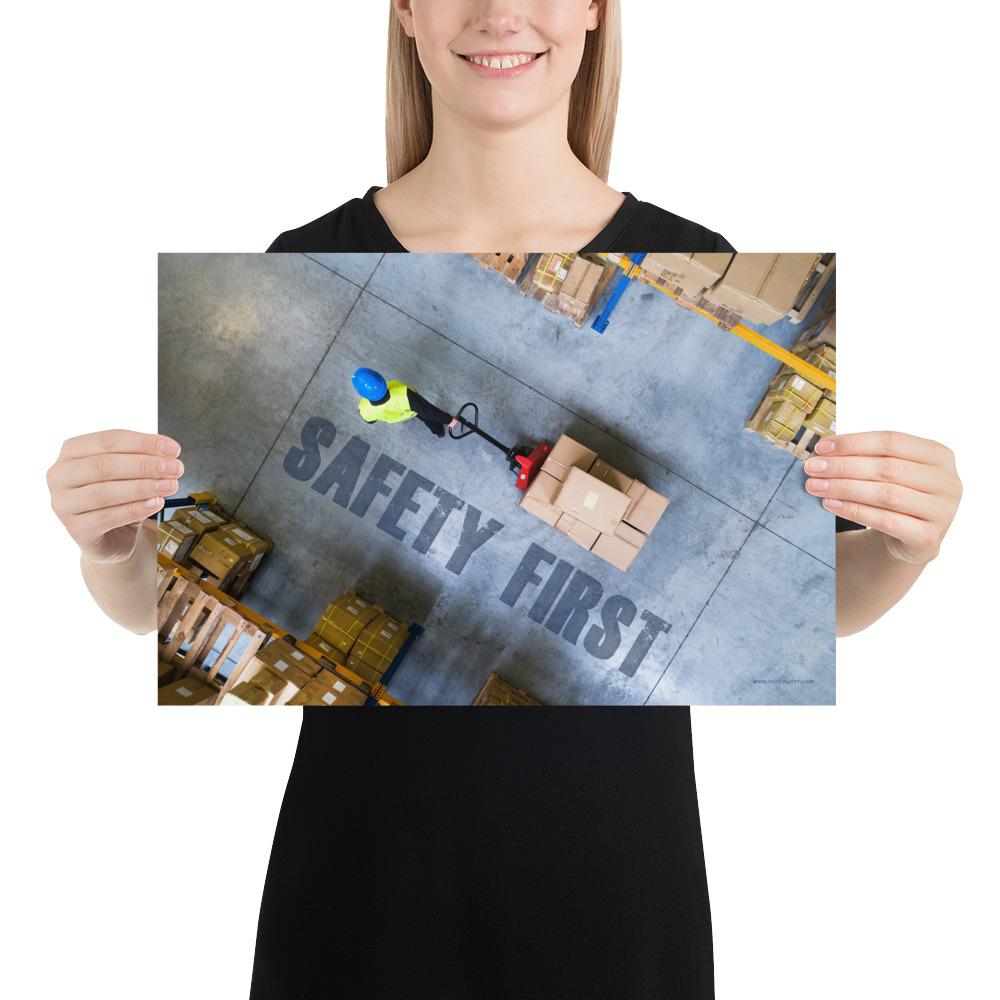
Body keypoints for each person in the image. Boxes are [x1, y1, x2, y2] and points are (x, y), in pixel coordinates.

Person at [45, 2, 963, 998]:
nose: (499, 10)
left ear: (594, 11)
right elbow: (151, 610)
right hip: (363, 872)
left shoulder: (691, 249)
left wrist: (906, 549)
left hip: (612, 881)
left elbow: (823, 610)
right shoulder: (305, 245)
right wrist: (107, 550)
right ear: (402, 10)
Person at [353, 366, 460, 438]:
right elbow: (428, 411)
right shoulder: (404, 395)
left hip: (398, 417)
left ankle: (438, 432)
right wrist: (449, 420)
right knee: (427, 417)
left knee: (425, 417)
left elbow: (370, 421)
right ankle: (438, 430)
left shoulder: (364, 409)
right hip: (412, 410)